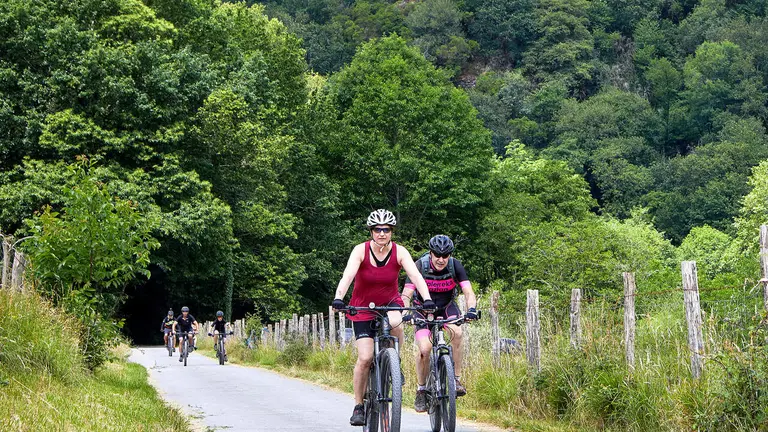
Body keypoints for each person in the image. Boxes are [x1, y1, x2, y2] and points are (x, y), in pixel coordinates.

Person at [332, 209, 436, 426]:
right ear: (371, 231)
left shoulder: (400, 252)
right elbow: (348, 275)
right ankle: (359, 405)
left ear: (391, 231)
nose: (381, 233)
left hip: (390, 303)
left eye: (386, 230)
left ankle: (394, 363)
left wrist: (426, 299)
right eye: (377, 229)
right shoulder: (361, 250)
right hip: (362, 306)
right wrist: (338, 298)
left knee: (396, 321)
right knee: (365, 358)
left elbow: (415, 275)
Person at [401, 234, 479, 412]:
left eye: (445, 255)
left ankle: (455, 379)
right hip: (422, 310)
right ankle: (421, 390)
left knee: (457, 334)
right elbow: (406, 294)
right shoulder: (420, 265)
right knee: (425, 349)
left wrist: (472, 309)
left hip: (446, 308)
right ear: (430, 253)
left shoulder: (455, 266)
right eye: (437, 255)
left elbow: (468, 292)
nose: (441, 259)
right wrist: (406, 313)